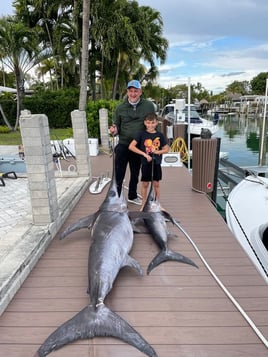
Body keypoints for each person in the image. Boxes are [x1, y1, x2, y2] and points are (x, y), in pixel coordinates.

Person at [109, 79, 155, 205]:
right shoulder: (120, 107)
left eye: (136, 91)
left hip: (138, 147)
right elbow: (117, 126)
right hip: (123, 145)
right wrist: (114, 129)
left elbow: (151, 124)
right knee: (119, 173)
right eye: (131, 91)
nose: (133, 94)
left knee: (135, 173)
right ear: (127, 92)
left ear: (140, 92)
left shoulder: (149, 106)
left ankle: (132, 196)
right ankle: (117, 197)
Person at [128, 112, 169, 210]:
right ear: (145, 123)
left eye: (153, 123)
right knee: (145, 184)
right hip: (146, 163)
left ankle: (158, 204)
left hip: (156, 163)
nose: (150, 125)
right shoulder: (141, 134)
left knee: (156, 184)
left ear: (157, 123)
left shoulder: (160, 135)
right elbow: (131, 146)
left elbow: (167, 149)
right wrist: (144, 154)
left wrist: (158, 151)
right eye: (148, 123)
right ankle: (143, 204)